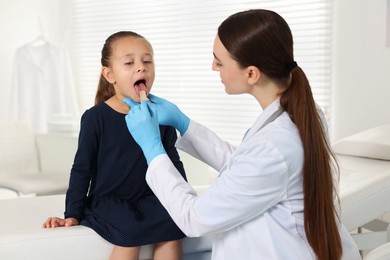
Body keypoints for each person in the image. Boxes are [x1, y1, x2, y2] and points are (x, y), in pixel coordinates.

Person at [123, 10, 361, 260]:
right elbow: (244, 166)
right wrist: (184, 124)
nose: (213, 66)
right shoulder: (302, 112)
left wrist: (153, 150)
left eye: (219, 61)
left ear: (251, 74)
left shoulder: (275, 145)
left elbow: (194, 218)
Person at [42, 31, 186, 260]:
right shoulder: (96, 118)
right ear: (109, 74)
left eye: (147, 61)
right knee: (130, 232)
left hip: (150, 198)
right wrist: (72, 214)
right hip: (109, 202)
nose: (141, 68)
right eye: (129, 63)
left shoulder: (161, 116)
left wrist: (182, 198)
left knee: (174, 228)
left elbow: (171, 160)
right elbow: (82, 168)